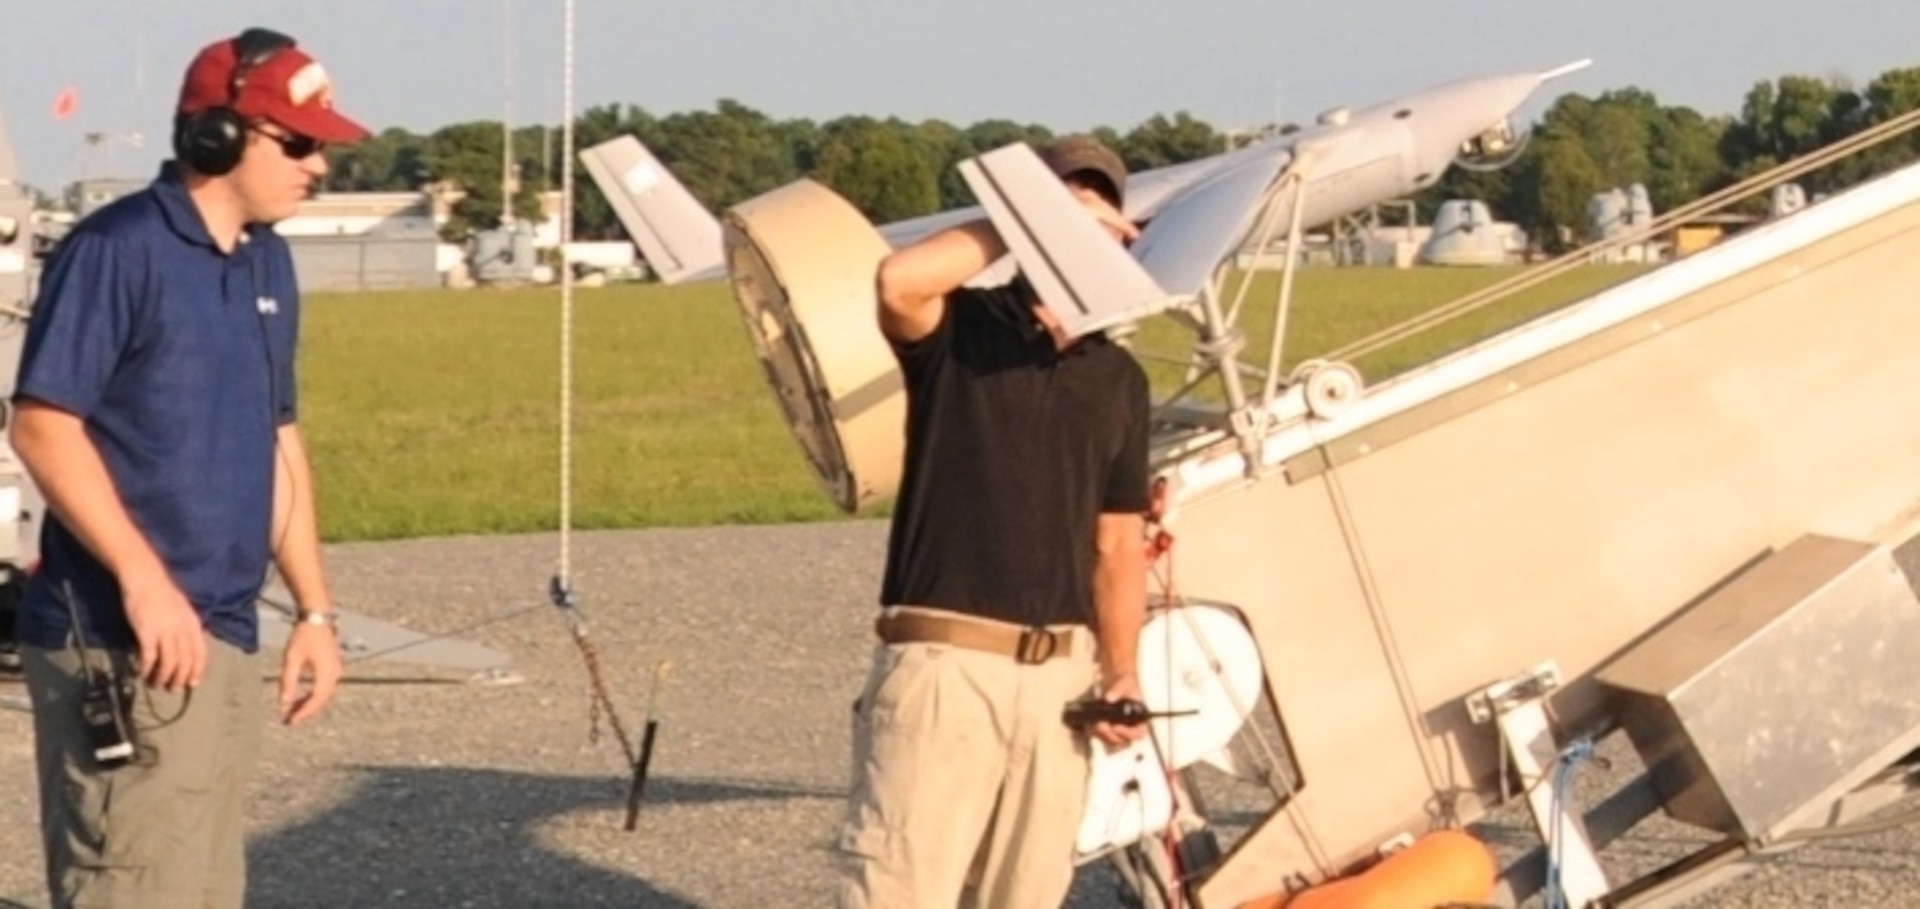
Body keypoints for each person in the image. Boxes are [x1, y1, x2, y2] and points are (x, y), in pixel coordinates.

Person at [11, 27, 368, 908]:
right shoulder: (119, 248)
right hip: (124, 641)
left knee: (203, 889)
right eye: (298, 142)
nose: (317, 166)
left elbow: (278, 437)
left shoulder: (267, 262)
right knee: (129, 882)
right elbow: (43, 425)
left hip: (221, 635)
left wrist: (316, 611)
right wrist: (143, 580)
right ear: (219, 136)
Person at [836, 135, 1153, 908]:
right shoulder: (960, 332)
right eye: (1062, 201)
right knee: (899, 887)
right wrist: (1034, 221)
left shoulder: (1118, 378)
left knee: (1027, 894)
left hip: (1060, 685)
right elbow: (899, 278)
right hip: (945, 665)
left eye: (1099, 203)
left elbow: (1117, 542)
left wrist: (1120, 671)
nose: (1085, 220)